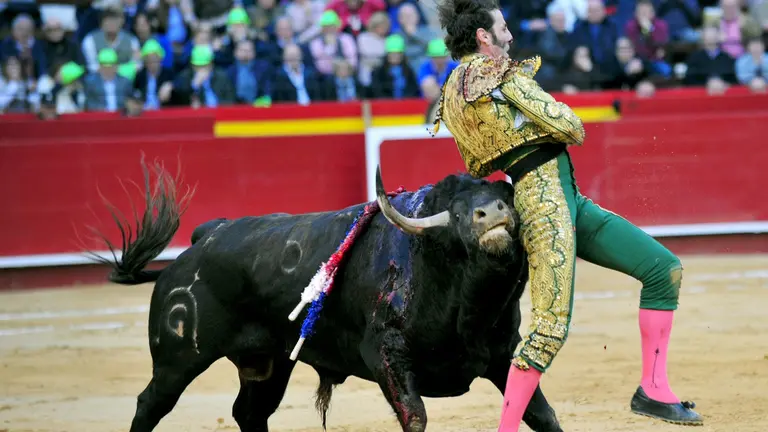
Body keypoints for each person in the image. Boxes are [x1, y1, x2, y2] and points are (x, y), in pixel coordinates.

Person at [431, 0, 704, 430]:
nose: (510, 36)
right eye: (503, 28)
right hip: (545, 203)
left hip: (562, 196)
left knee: (662, 268)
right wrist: (541, 123)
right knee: (548, 331)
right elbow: (571, 126)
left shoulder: (451, 89)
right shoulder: (492, 72)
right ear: (484, 37)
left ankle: (653, 390)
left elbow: (476, 162)